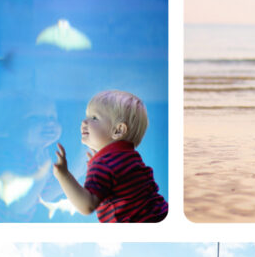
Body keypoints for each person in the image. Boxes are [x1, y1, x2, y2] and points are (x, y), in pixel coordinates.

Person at [53, 90, 168, 222]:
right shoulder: (131, 157)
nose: (84, 122)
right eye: (87, 116)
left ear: (118, 130)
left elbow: (87, 205)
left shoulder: (105, 164)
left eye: (94, 118)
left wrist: (63, 175)